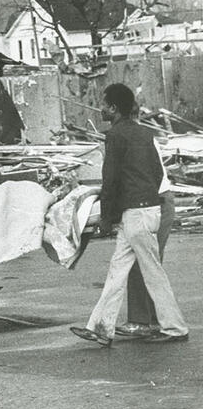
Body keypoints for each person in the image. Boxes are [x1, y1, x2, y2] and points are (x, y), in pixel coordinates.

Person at [70, 83, 188, 346]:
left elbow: (110, 180)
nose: (100, 108)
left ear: (113, 108)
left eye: (103, 104)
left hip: (136, 214)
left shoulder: (115, 136)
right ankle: (100, 327)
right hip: (144, 209)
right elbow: (158, 173)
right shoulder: (144, 134)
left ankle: (176, 327)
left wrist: (106, 218)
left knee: (151, 272)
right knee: (117, 270)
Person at [116, 116, 175, 338]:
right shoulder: (135, 138)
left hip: (153, 203)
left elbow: (149, 177)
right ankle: (153, 320)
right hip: (153, 202)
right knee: (147, 263)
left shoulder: (137, 141)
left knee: (144, 263)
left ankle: (145, 321)